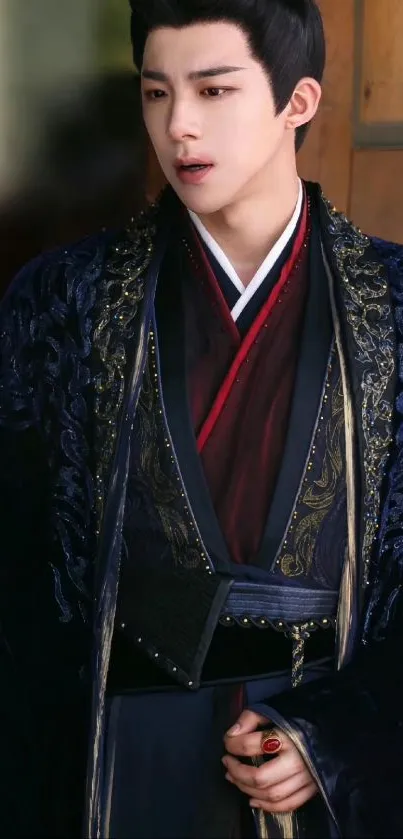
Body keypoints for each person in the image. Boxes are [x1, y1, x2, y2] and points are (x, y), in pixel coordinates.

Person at [1, 0, 403, 837]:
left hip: (310, 749)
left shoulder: (393, 307)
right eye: (156, 93)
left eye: (213, 90)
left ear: (297, 102)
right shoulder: (61, 300)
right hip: (116, 751)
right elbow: (18, 573)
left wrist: (337, 739)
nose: (178, 125)